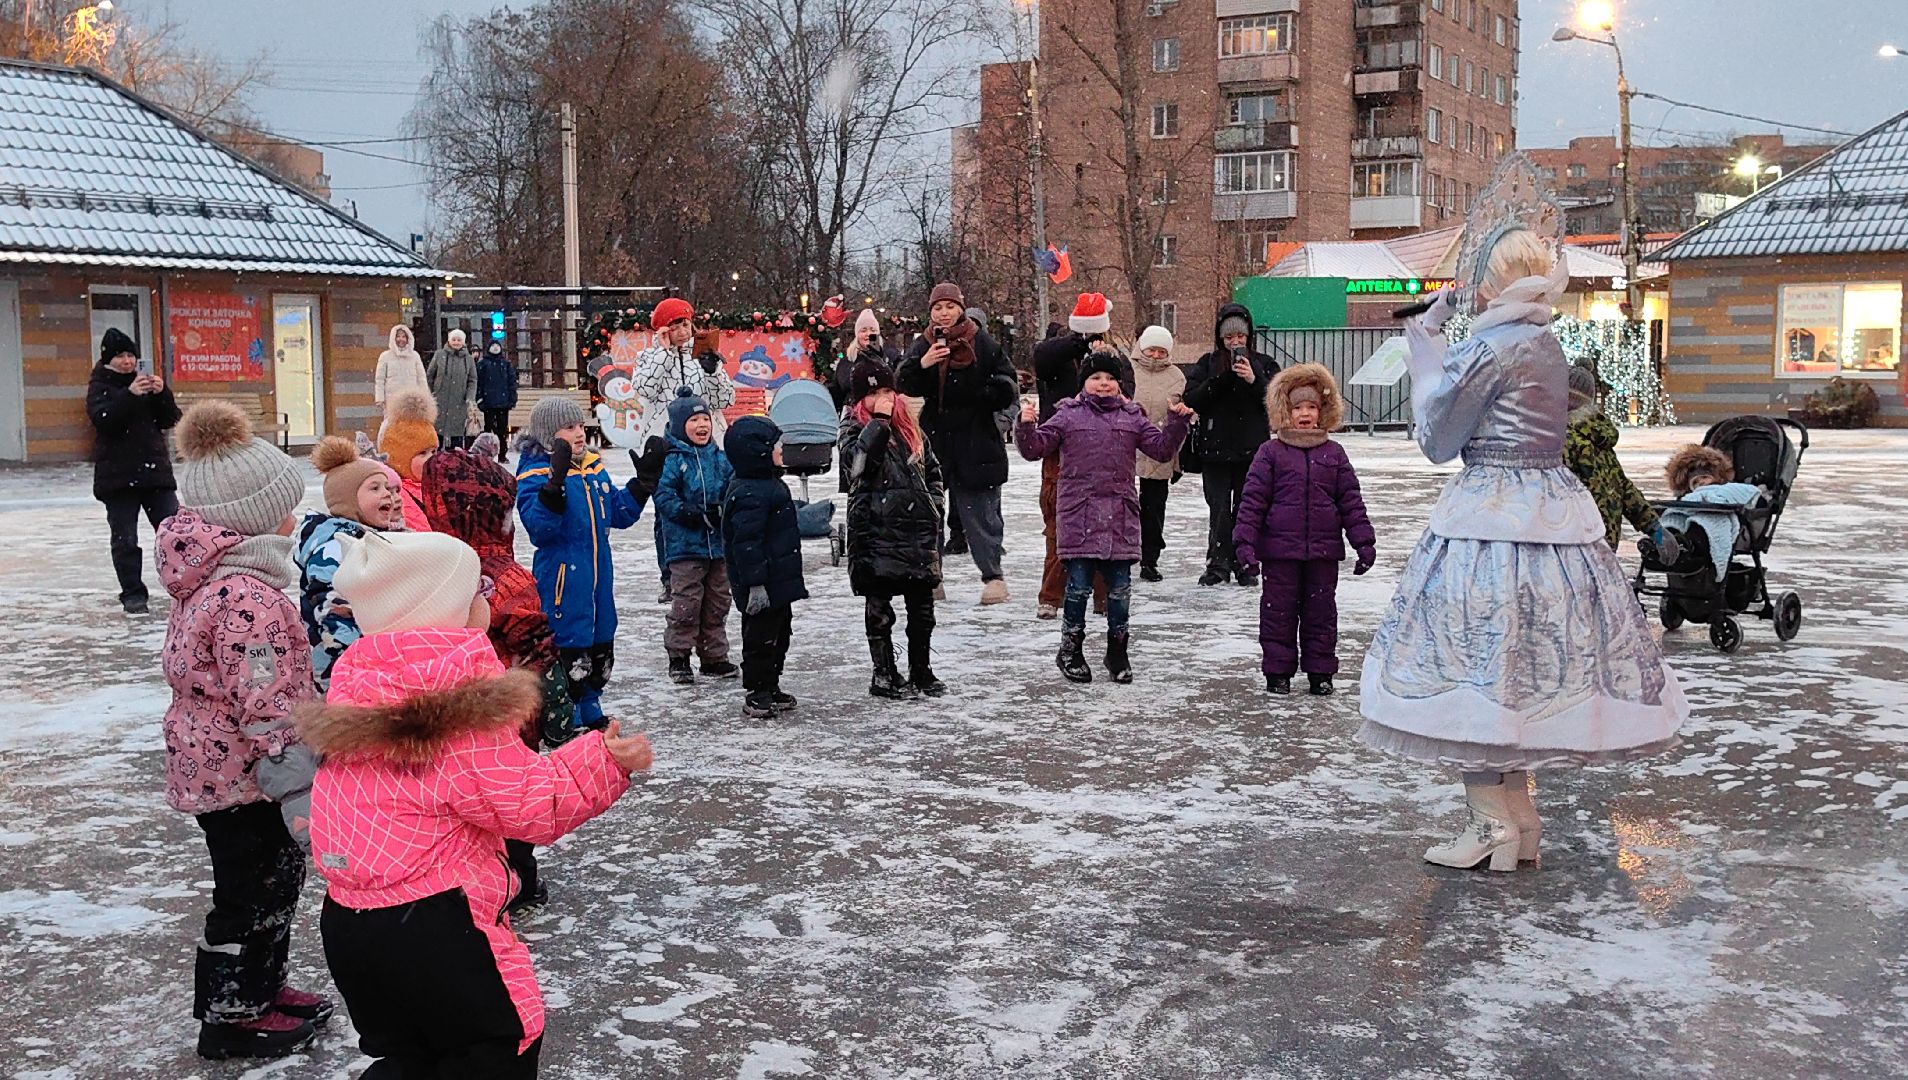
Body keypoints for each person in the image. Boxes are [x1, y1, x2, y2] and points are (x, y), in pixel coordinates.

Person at [1359, 227, 1688, 872]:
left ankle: (1491, 827)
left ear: (1491, 279)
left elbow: (1437, 437)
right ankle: (1522, 823)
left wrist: (1425, 349)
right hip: (1551, 512)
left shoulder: (1490, 347)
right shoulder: (1544, 340)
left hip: (1488, 514)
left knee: (1477, 667)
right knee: (1521, 671)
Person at [303, 529, 652, 1077]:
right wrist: (605, 762)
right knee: (500, 1042)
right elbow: (533, 804)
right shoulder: (456, 715)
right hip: (438, 927)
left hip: (351, 923)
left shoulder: (359, 693)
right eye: (474, 592)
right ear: (444, 613)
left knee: (411, 1052)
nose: (486, 602)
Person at [154, 401, 328, 1060]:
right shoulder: (247, 602)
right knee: (249, 894)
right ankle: (230, 1017)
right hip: (243, 776)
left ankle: (260, 988)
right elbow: (265, 702)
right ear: (255, 518)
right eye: (287, 506)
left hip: (224, 769)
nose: (295, 517)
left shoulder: (221, 583)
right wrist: (295, 780)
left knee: (273, 885)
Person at [421, 446, 575, 914]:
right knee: (505, 800)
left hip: (487, 714)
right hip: (508, 717)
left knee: (488, 805)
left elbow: (534, 641)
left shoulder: (449, 572)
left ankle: (510, 881)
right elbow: (538, 646)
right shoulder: (497, 572)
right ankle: (513, 880)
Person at [1016, 353, 1192, 684]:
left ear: (1119, 383)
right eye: (1096, 377)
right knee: (1078, 587)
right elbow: (1034, 448)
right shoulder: (1067, 415)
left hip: (1119, 516)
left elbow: (1162, 450)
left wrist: (1176, 422)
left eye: (1109, 378)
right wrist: (1026, 424)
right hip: (1078, 515)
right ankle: (1070, 649)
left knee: (1120, 590)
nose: (1103, 384)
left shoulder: (1132, 417)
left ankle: (1117, 651)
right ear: (1084, 382)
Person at [1231, 364, 1376, 697]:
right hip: (1280, 553)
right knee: (1278, 613)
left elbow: (1351, 502)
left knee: (1321, 614)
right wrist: (1244, 544)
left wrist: (1363, 543)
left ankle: (1320, 670)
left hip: (1322, 553)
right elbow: (1252, 502)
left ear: (1323, 411)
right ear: (1286, 411)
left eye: (1311, 407)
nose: (1305, 414)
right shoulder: (1270, 453)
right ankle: (1278, 671)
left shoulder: (1333, 454)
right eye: (1298, 408)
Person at [516, 396, 649, 735]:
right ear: (549, 435)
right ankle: (566, 707)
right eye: (569, 427)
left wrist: (641, 484)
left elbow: (617, 512)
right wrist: (554, 487)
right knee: (570, 641)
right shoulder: (534, 472)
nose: (579, 433)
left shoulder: (591, 467)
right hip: (563, 577)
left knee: (601, 638)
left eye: (580, 425)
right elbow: (539, 529)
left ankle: (590, 702)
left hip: (597, 577)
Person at [896, 282, 1019, 605]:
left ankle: (993, 578)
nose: (944, 313)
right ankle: (931, 576)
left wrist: (979, 394)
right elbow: (903, 383)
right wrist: (924, 364)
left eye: (950, 306)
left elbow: (1007, 384)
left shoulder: (982, 341)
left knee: (982, 515)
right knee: (929, 513)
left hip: (977, 440)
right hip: (935, 439)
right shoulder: (923, 344)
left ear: (961, 308)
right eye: (938, 308)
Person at [840, 360, 947, 700]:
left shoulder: (912, 431)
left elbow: (932, 470)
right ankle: (884, 671)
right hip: (876, 531)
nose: (883, 398)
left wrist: (934, 503)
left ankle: (921, 668)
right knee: (879, 607)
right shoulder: (854, 430)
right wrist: (880, 423)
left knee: (922, 609)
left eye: (887, 391)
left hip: (916, 530)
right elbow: (857, 465)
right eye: (873, 394)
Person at [1031, 293, 1137, 617]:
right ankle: (1051, 596)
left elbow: (1128, 391)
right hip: (1060, 451)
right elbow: (1041, 357)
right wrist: (1080, 342)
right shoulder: (1060, 352)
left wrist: (1106, 362)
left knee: (1106, 523)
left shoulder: (1115, 357)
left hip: (1104, 450)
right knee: (1059, 524)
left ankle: (1103, 599)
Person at [294, 436, 404, 693]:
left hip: (376, 663)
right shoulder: (333, 547)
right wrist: (358, 658)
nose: (387, 493)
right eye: (374, 488)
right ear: (349, 501)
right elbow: (331, 608)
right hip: (341, 671)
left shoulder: (377, 537)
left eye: (386, 487)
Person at [87, 327, 182, 614]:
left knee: (173, 533)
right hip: (118, 477)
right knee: (125, 538)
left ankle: (183, 585)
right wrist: (128, 395)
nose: (127, 362)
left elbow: (169, 419)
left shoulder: (145, 383)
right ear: (108, 360)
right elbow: (104, 420)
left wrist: (161, 392)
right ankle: (132, 593)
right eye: (120, 356)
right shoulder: (100, 385)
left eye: (131, 355)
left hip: (155, 474)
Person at [1184, 303, 1277, 587]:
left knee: (1248, 509)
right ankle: (1218, 563)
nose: (1235, 342)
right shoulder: (1208, 363)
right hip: (1216, 449)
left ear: (1248, 336)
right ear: (1220, 338)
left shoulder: (1264, 363)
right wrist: (1223, 379)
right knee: (1219, 509)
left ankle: (1245, 563)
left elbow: (1275, 401)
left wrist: (1253, 379)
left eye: (1240, 337)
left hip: (1252, 451)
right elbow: (1193, 398)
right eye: (1229, 338)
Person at [722, 416, 808, 719]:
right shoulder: (750, 492)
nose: (782, 449)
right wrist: (755, 584)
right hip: (761, 583)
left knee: (780, 633)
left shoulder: (769, 484)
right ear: (757, 451)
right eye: (775, 445)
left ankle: (771, 684)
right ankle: (757, 689)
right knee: (760, 637)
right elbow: (746, 544)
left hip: (778, 579)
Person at [653, 389, 739, 685]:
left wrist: (725, 508)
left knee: (717, 602)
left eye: (705, 419)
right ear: (679, 425)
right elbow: (663, 496)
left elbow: (732, 486)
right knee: (687, 604)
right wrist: (688, 512)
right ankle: (679, 656)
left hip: (718, 546)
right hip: (685, 546)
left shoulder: (720, 458)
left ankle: (713, 656)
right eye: (694, 420)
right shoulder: (673, 459)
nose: (702, 425)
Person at [1563, 364, 1658, 550]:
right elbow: (1622, 487)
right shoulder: (1598, 438)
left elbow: (1621, 486)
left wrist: (1654, 527)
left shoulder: (1564, 439)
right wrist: (1653, 526)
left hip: (1580, 543)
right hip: (1594, 541)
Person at [1639, 444, 1763, 580]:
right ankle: (1657, 545)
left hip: (1715, 515)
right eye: (1696, 482)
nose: (1701, 483)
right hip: (1689, 512)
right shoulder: (1688, 497)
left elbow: (1750, 493)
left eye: (1704, 478)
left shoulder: (1727, 488)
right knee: (1672, 519)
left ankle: (1684, 546)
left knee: (1704, 523)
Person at [633, 297, 737, 448]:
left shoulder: (705, 354)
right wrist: (664, 354)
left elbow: (725, 401)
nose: (682, 332)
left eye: (685, 325)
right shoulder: (647, 357)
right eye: (674, 328)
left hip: (708, 443)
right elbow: (645, 390)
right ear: (663, 331)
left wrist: (712, 373)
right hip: (664, 442)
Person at [1130, 324, 1185, 583]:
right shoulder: (1126, 370)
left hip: (1160, 447)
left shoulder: (1177, 377)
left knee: (1153, 508)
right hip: (1128, 446)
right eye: (1151, 349)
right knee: (1125, 505)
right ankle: (1125, 552)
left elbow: (1182, 409)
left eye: (1161, 351)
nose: (1154, 356)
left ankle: (1150, 558)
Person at [378, 387, 440, 532]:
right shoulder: (399, 495)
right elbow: (425, 533)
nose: (431, 459)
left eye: (434, 451)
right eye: (422, 453)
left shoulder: (437, 486)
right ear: (399, 457)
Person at [834, 308, 899, 409]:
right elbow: (840, 390)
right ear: (857, 334)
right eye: (863, 330)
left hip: (885, 409)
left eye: (872, 330)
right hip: (854, 412)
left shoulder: (889, 356)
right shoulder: (848, 360)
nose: (868, 334)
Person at [373, 325, 427, 436]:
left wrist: (425, 397)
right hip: (391, 399)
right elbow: (380, 380)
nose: (401, 339)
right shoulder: (385, 356)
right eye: (398, 336)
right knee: (392, 427)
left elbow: (421, 378)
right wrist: (380, 398)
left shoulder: (415, 356)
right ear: (393, 338)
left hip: (411, 400)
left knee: (410, 427)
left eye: (404, 336)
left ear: (408, 339)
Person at [428, 328, 477, 450]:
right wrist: (430, 393)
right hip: (439, 400)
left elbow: (472, 380)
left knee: (457, 436)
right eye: (453, 339)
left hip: (459, 402)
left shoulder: (468, 359)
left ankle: (454, 462)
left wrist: (470, 397)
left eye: (459, 340)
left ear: (463, 342)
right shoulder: (439, 355)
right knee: (436, 434)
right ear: (449, 341)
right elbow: (430, 375)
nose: (456, 342)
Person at [477, 341, 519, 459]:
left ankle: (502, 454)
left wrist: (512, 398)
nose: (495, 348)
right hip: (488, 403)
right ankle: (487, 454)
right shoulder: (483, 364)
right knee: (488, 429)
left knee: (502, 430)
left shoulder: (505, 364)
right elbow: (478, 383)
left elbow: (512, 382)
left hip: (503, 403)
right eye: (493, 346)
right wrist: (480, 399)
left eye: (497, 346)